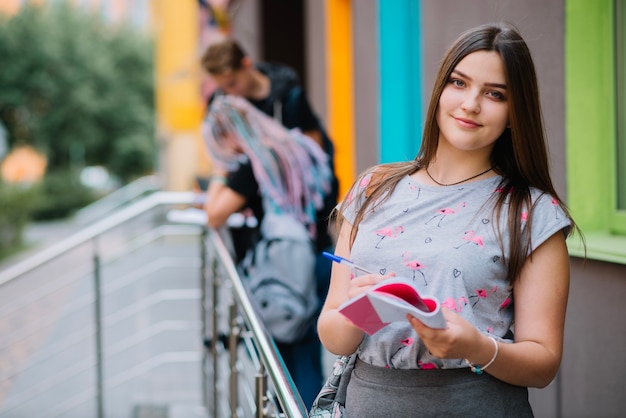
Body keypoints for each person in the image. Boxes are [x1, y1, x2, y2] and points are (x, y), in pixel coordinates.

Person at [317, 22, 580, 417]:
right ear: (440, 90)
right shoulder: (374, 186)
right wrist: (368, 307)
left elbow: (543, 363)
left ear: (514, 113)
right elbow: (335, 338)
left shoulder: (531, 212)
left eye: (494, 94)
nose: (471, 103)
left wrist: (475, 346)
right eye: (459, 83)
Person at [201, 95, 332, 408]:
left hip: (286, 266)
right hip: (321, 257)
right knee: (308, 354)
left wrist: (221, 171)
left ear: (230, 133)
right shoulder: (299, 146)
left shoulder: (255, 163)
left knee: (283, 359)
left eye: (223, 140)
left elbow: (214, 213)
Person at [200, 36, 339, 308]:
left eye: (232, 83)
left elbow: (316, 160)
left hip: (304, 233)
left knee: (305, 316)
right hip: (272, 240)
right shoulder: (227, 103)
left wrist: (224, 173)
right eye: (222, 88)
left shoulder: (290, 98)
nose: (229, 94)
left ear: (246, 64)